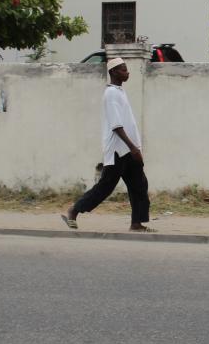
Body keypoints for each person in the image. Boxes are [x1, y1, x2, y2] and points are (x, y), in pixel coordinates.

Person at [62, 57, 153, 232]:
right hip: (118, 150)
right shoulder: (111, 94)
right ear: (113, 72)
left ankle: (136, 224)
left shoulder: (119, 91)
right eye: (123, 69)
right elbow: (116, 125)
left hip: (128, 150)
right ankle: (74, 210)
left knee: (139, 185)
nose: (127, 72)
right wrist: (133, 148)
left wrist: (135, 148)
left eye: (126, 69)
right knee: (105, 187)